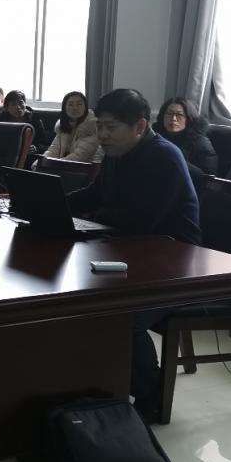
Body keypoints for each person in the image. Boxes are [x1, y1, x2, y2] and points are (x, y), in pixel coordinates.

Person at [67, 88, 201, 422]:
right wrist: (54, 203)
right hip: (128, 252)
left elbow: (140, 221)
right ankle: (93, 383)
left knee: (121, 316)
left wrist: (93, 219)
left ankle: (149, 397)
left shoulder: (164, 157)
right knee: (70, 300)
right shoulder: (117, 152)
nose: (102, 135)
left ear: (140, 126)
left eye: (110, 127)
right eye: (99, 126)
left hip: (173, 262)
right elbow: (95, 194)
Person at [152, 97, 218, 184]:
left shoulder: (201, 142)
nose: (173, 118)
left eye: (179, 115)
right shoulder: (155, 137)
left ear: (189, 118)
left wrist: (176, 159)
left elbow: (208, 178)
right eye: (169, 114)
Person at [43, 91, 102, 163]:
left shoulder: (91, 126)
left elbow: (79, 156)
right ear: (64, 108)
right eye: (70, 104)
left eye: (79, 104)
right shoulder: (63, 126)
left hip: (84, 168)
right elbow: (52, 150)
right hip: (63, 165)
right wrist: (40, 162)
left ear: (85, 107)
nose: (75, 108)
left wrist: (54, 164)